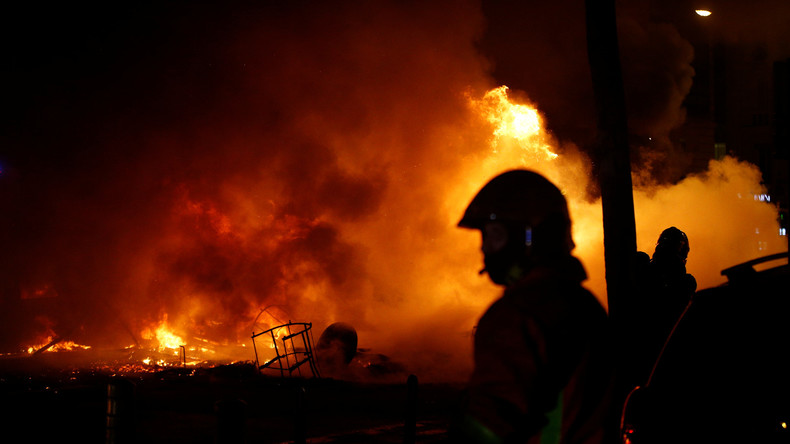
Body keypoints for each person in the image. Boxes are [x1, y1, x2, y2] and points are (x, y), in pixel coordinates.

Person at [451, 169, 616, 444]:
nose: (485, 249)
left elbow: (491, 424)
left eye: (494, 234)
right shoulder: (585, 304)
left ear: (526, 237)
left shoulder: (519, 315)